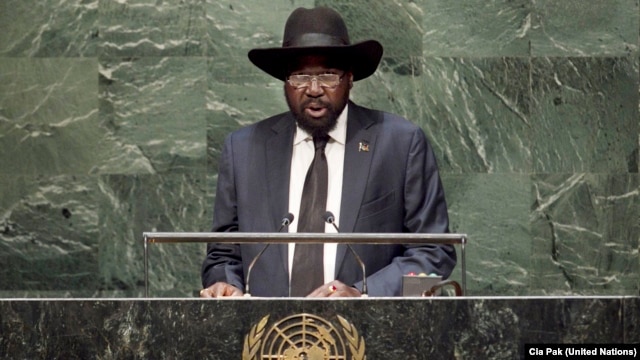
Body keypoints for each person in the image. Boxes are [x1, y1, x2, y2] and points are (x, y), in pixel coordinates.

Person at [200, 6, 456, 298]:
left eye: (328, 75)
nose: (313, 89)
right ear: (285, 82)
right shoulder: (243, 149)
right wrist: (225, 284)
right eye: (299, 77)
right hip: (267, 335)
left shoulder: (400, 143)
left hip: (370, 333)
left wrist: (364, 295)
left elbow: (436, 256)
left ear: (350, 78)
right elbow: (222, 255)